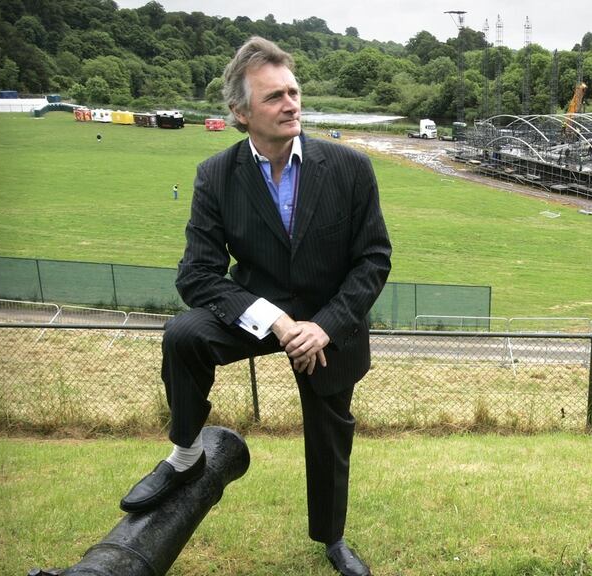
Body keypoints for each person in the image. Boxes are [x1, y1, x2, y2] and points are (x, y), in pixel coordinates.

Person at [118, 37, 391, 576]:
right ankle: (186, 456)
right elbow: (195, 274)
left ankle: (332, 539)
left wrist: (325, 327)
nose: (291, 104)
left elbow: (374, 259)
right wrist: (275, 319)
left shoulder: (350, 168)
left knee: (330, 433)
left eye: (293, 91)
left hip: (329, 319)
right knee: (183, 334)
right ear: (241, 114)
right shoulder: (216, 176)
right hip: (257, 311)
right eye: (274, 97)